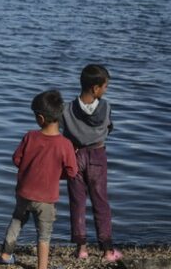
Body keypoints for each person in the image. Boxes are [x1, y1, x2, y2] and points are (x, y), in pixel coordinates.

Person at [0, 90, 78, 269]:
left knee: (17, 221)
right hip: (46, 199)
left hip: (24, 193)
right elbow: (72, 172)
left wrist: (30, 167)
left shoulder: (30, 136)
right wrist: (56, 173)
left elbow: (16, 159)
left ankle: (5, 254)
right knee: (44, 235)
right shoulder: (65, 145)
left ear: (40, 118)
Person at [61, 64, 123, 261]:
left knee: (77, 202)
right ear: (96, 88)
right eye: (105, 87)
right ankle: (106, 250)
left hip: (74, 155)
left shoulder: (67, 108)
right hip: (97, 154)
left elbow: (61, 131)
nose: (106, 90)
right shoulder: (106, 107)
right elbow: (109, 127)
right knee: (101, 202)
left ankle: (82, 249)